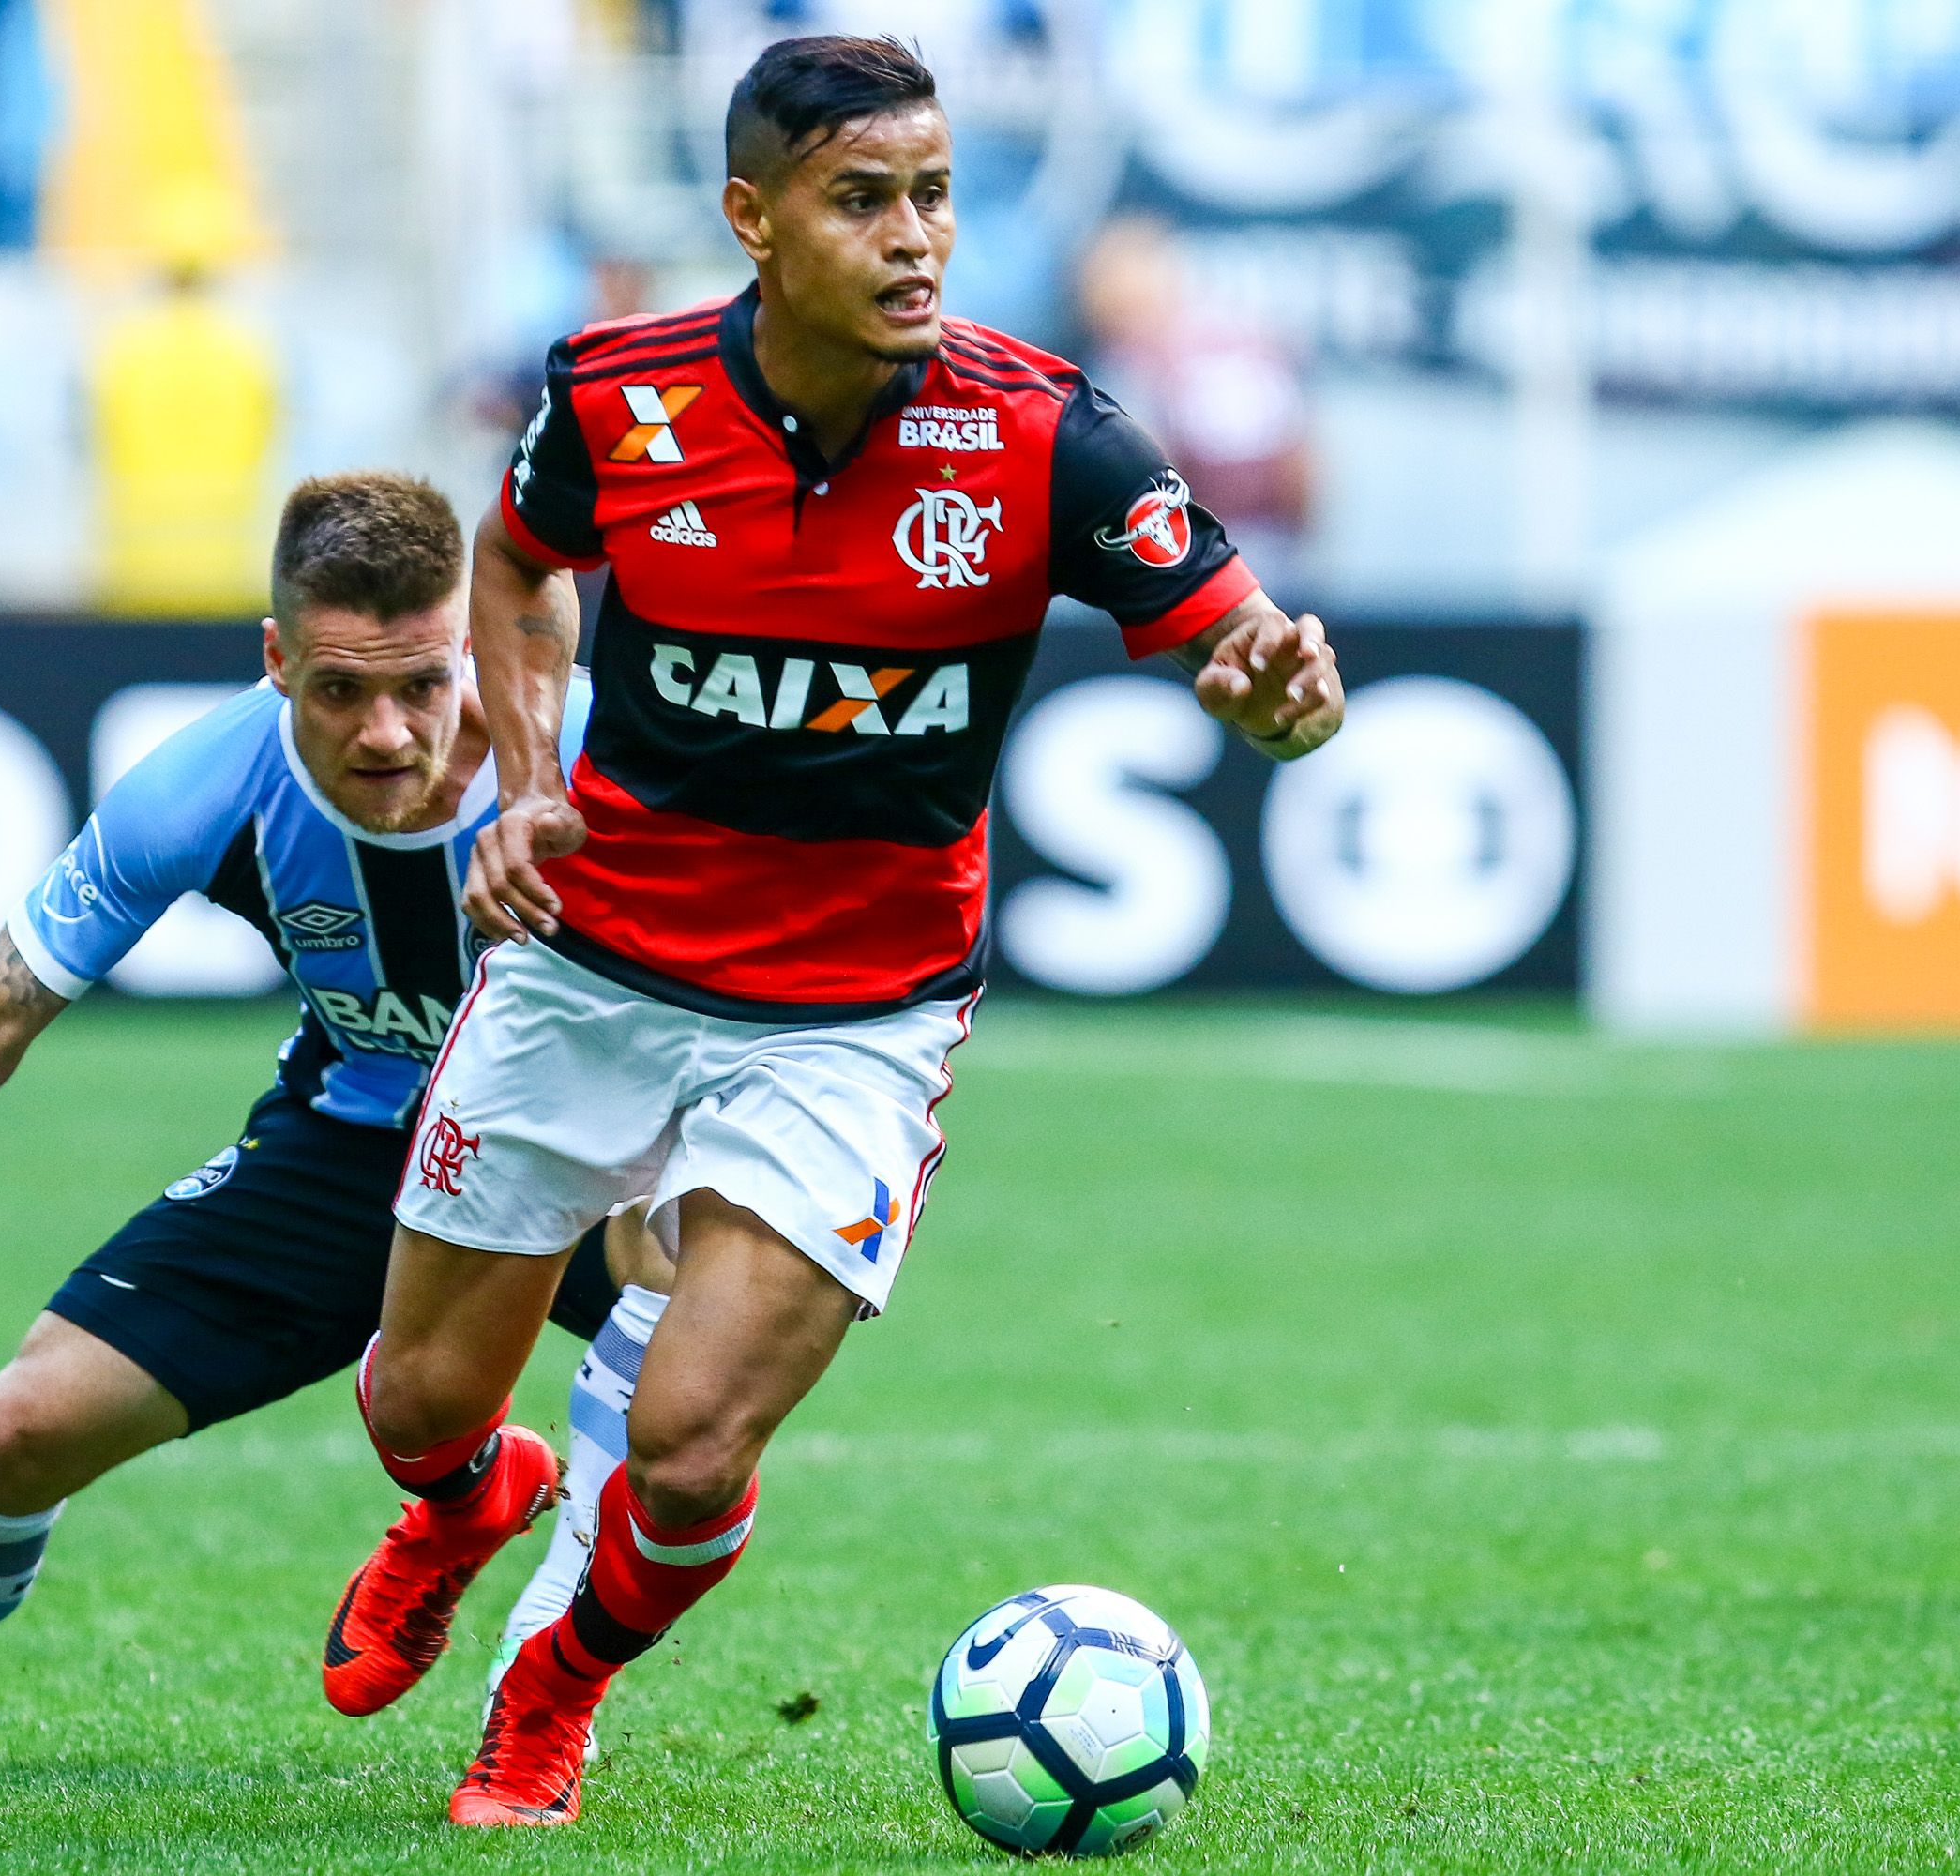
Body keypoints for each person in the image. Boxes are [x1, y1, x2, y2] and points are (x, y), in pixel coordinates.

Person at [318, 36, 1345, 1827]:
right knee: (416, 1398)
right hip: (593, 962)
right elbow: (513, 556)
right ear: (754, 219)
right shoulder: (621, 397)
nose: (914, 238)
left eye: (933, 196)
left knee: (690, 1440)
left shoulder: (1046, 435)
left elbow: (1241, 647)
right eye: (862, 199)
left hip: (853, 1015)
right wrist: (525, 781)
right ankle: (463, 1497)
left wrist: (1275, 694)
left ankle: (553, 1689)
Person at [0, 473, 671, 1772]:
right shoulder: (205, 787)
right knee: (15, 1430)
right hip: (360, 1138)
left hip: (597, 1148)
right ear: (275, 661)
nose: (385, 734)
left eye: (421, 685)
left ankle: (537, 1704)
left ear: (475, 647)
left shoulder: (610, 761)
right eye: (338, 691)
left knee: (686, 1321)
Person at [1074, 214, 1315, 604]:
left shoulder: (1138, 364)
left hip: (1192, 565)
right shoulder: (1244, 337)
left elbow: (1140, 482)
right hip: (1259, 560)